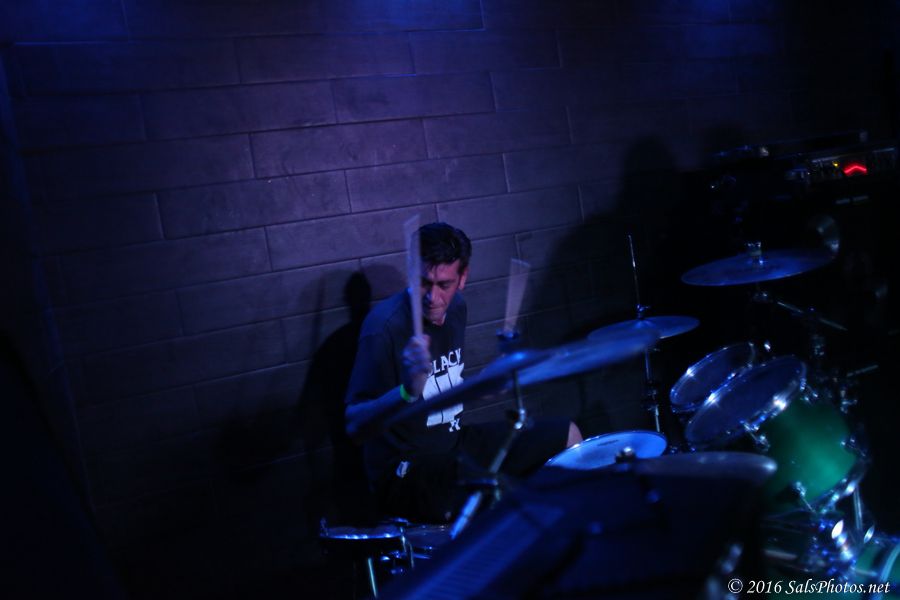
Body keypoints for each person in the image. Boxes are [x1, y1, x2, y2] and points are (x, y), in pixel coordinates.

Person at [345, 222, 582, 523]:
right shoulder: (383, 328)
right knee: (494, 493)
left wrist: (486, 384)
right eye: (423, 283)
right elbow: (354, 426)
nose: (432, 297)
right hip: (405, 471)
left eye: (444, 285)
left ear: (463, 278)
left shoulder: (457, 307)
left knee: (567, 436)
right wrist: (407, 391)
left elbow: (443, 391)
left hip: (453, 446)